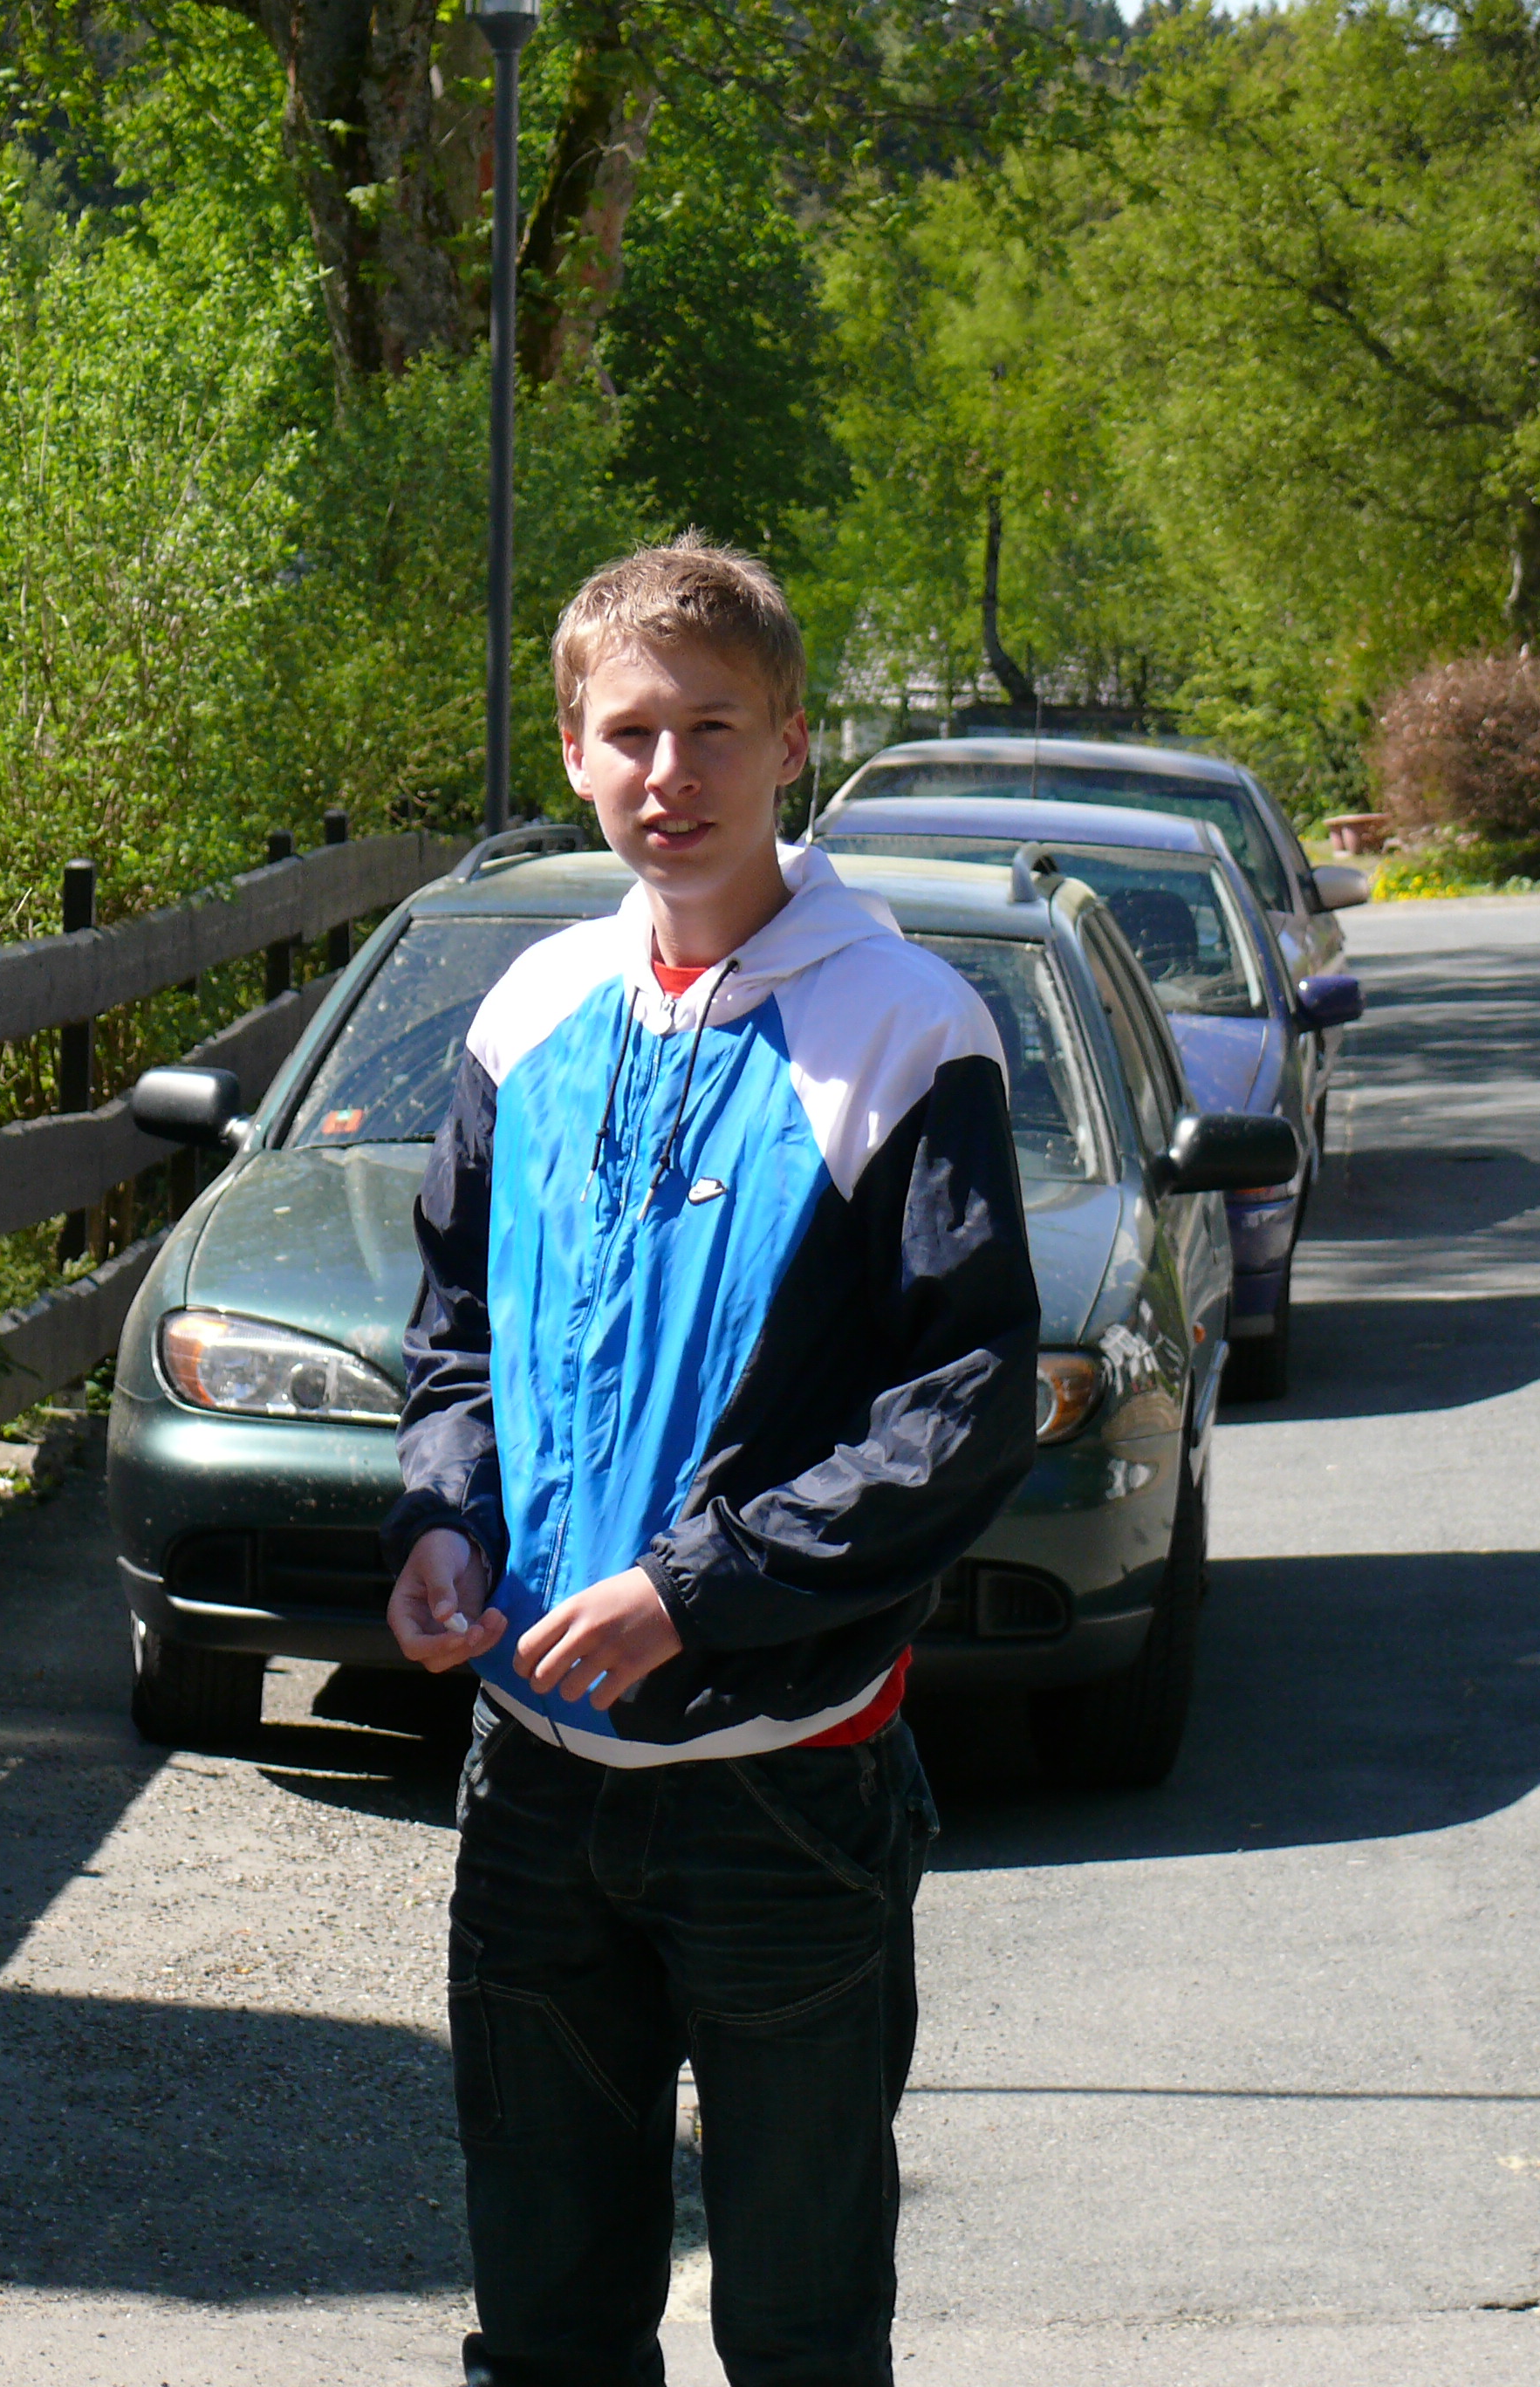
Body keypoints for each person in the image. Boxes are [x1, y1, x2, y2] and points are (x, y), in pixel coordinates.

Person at [382, 538, 1043, 2387]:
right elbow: (456, 1332)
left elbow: (965, 1405)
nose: (669, 774)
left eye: (714, 730)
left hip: (786, 1799)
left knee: (801, 2329)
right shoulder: (525, 1012)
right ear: (573, 754)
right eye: (630, 734)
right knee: (549, 2323)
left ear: (793, 744)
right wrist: (443, 1518)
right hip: (532, 1788)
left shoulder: (903, 1027)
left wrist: (693, 1592)